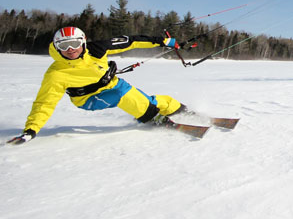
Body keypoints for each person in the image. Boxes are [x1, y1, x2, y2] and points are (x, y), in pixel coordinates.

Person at [7, 27, 187, 145]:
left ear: (83, 42)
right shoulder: (56, 73)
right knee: (122, 94)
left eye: (75, 43)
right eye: (64, 45)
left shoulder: (97, 49)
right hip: (89, 99)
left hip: (114, 85)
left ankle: (181, 110)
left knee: (149, 100)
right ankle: (153, 118)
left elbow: (130, 41)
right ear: (57, 47)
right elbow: (44, 103)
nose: (70, 49)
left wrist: (163, 41)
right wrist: (31, 130)